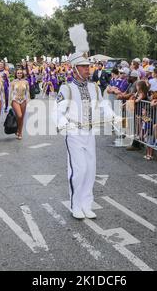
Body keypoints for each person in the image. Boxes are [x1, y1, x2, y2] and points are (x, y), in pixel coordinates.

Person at [53, 52, 118, 220]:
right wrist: (62, 123)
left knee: (90, 170)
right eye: (83, 66)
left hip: (89, 133)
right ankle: (75, 205)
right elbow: (58, 111)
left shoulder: (95, 87)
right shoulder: (66, 88)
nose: (87, 69)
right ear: (74, 69)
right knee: (79, 169)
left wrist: (113, 116)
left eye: (88, 66)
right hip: (74, 133)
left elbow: (104, 105)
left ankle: (87, 205)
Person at [9, 68, 31, 140]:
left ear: (22, 74)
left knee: (21, 117)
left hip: (23, 100)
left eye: (20, 73)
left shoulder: (26, 82)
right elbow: (11, 92)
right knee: (19, 115)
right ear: (16, 74)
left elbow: (27, 92)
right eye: (18, 73)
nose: (19, 74)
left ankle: (19, 132)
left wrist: (28, 101)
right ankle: (17, 129)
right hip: (15, 100)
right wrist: (10, 103)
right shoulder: (13, 82)